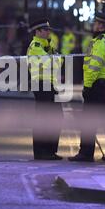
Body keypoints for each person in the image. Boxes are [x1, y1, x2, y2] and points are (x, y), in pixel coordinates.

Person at [69, 12, 105, 162]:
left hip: (97, 86)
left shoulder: (101, 42)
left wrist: (87, 87)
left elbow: (94, 66)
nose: (94, 25)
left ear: (100, 26)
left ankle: (86, 153)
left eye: (96, 23)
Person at [26, 19, 63, 160]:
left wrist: (55, 60)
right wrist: (55, 59)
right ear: (38, 31)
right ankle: (42, 152)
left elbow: (59, 62)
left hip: (51, 84)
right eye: (45, 30)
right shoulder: (35, 46)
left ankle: (51, 151)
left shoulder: (48, 46)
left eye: (49, 30)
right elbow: (49, 63)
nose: (49, 32)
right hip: (41, 85)